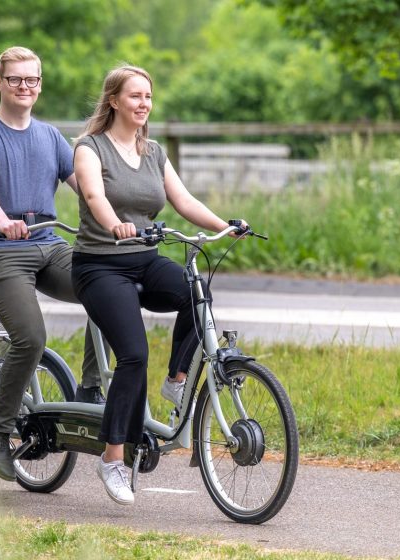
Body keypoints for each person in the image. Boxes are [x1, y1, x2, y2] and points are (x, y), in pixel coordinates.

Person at [71, 65, 248, 505]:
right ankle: (112, 459)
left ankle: (178, 377)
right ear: (114, 100)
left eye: (148, 96)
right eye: (135, 96)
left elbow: (183, 200)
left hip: (144, 259)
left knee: (196, 291)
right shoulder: (90, 149)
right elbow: (94, 197)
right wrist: (115, 225)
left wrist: (224, 225)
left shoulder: (153, 152)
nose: (144, 103)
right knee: (133, 355)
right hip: (100, 265)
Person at [0, 46, 106, 482]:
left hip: (46, 245)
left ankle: (92, 388)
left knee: (108, 286)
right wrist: (3, 221)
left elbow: (87, 187)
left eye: (33, 80)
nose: (25, 87)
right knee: (31, 337)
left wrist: (119, 220)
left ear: (40, 84)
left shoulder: (51, 137)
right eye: (17, 79)